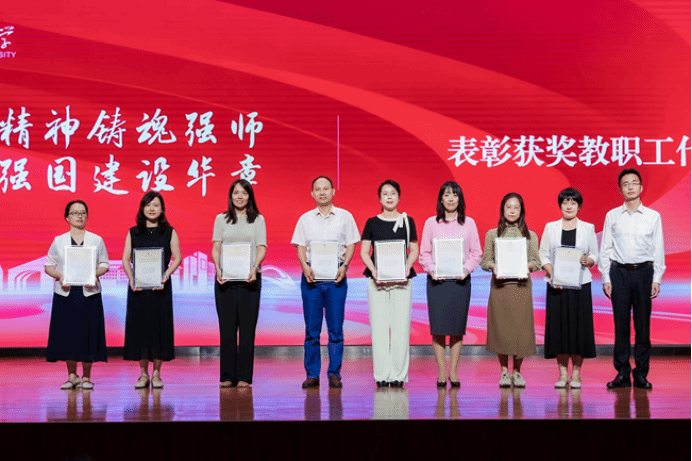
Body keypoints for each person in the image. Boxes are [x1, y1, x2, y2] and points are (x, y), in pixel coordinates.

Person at [291, 176, 360, 389]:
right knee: (312, 330)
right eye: (318, 189)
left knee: (335, 329)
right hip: (311, 277)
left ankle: (334, 373)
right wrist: (304, 267)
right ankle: (312, 374)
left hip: (336, 276)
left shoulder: (345, 217)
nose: (322, 192)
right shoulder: (305, 219)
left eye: (326, 188)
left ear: (333, 191)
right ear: (312, 193)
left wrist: (345, 266)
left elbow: (351, 244)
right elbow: (300, 247)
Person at [600, 168, 665, 390]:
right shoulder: (612, 216)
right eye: (625, 183)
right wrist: (606, 277)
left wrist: (657, 278)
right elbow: (605, 248)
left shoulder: (653, 216)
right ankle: (622, 372)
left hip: (644, 273)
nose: (630, 187)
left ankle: (641, 373)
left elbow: (658, 249)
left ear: (641, 187)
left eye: (634, 183)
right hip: (619, 273)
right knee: (621, 326)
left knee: (643, 326)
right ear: (620, 189)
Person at [419, 181, 482, 387]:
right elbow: (424, 253)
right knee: (438, 329)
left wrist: (466, 270)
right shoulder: (431, 223)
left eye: (455, 195)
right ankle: (441, 372)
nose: (451, 198)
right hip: (437, 282)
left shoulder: (469, 223)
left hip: (460, 282)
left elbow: (476, 253)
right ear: (441, 199)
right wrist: (432, 270)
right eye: (446, 195)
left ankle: (453, 372)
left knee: (456, 329)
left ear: (460, 199)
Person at [45, 200, 109, 390]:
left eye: (82, 212)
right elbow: (49, 265)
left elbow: (104, 264)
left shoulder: (96, 239)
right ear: (67, 217)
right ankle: (72, 376)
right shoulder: (59, 240)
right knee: (69, 334)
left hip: (89, 293)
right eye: (75, 213)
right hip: (66, 293)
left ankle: (87, 377)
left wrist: (93, 275)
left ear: (87, 216)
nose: (79, 216)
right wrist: (60, 276)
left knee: (88, 333)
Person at [360, 179, 419, 388]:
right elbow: (364, 252)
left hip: (402, 281)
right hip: (377, 281)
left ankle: (398, 375)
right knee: (379, 328)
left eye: (393, 193)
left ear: (399, 197)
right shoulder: (371, 222)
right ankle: (381, 375)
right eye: (385, 193)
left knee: (401, 328)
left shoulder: (407, 221)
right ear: (380, 198)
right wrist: (374, 270)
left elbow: (414, 250)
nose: (389, 197)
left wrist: (408, 266)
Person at [539, 188, 598, 389]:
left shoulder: (588, 228)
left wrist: (589, 260)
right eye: (565, 202)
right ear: (560, 205)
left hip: (581, 284)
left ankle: (576, 374)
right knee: (559, 330)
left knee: (579, 329)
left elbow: (595, 254)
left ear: (579, 206)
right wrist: (553, 273)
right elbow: (543, 254)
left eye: (573, 202)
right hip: (556, 285)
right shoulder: (551, 227)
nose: (569, 206)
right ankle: (563, 373)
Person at [480, 192, 541, 388]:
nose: (512, 211)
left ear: (521, 211)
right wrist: (494, 267)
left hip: (521, 287)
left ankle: (517, 372)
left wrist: (526, 267)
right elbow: (485, 261)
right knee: (502, 329)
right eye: (509, 207)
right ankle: (504, 372)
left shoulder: (530, 235)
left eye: (516, 207)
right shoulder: (492, 234)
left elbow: (536, 262)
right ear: (502, 210)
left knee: (521, 331)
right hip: (500, 288)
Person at [122, 192, 182, 389]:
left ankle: (156, 373)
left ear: (162, 209)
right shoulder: (133, 232)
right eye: (148, 205)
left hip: (160, 287)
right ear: (142, 208)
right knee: (140, 330)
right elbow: (125, 259)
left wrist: (166, 275)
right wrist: (131, 278)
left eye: (156, 205)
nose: (152, 209)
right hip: (138, 288)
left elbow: (177, 257)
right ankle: (143, 374)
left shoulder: (169, 231)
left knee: (159, 329)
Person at [211, 179, 267, 388]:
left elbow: (261, 247)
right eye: (236, 192)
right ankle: (227, 375)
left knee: (247, 329)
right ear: (230, 195)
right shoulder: (221, 219)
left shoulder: (258, 219)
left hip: (250, 279)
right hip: (225, 280)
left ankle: (244, 376)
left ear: (250, 196)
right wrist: (218, 267)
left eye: (244, 193)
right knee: (226, 328)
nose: (240, 196)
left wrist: (255, 267)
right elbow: (216, 247)